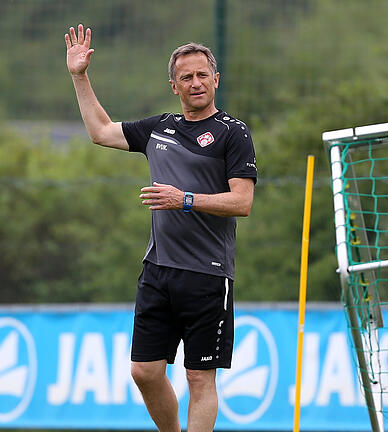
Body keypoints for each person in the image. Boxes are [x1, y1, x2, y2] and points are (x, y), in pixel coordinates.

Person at [65, 24, 258, 432]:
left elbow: (242, 202)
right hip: (157, 271)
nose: (196, 83)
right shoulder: (160, 127)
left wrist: (184, 199)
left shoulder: (232, 133)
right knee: (144, 371)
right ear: (174, 85)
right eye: (186, 77)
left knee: (198, 377)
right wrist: (79, 77)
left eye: (202, 74)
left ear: (216, 79)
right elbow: (100, 131)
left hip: (207, 274)